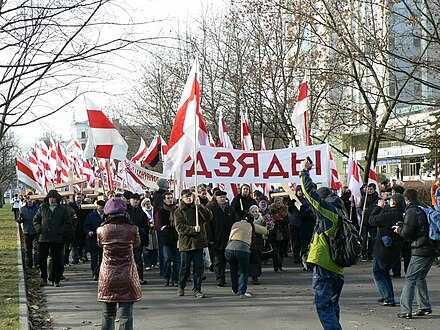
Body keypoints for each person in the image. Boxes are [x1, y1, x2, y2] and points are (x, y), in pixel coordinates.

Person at [300, 159, 345, 330]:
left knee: (324, 306)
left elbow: (310, 194)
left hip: (324, 265)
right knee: (332, 305)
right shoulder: (342, 212)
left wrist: (305, 172)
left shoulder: (329, 212)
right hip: (338, 267)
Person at [393, 189, 438, 319]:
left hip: (420, 250)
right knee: (420, 277)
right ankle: (424, 306)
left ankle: (405, 310)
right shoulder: (424, 207)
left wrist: (399, 229)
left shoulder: (411, 211)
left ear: (406, 199)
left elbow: (407, 233)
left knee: (410, 279)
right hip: (432, 248)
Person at [97, 197, 141, 330]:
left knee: (107, 314)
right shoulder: (132, 229)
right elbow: (137, 244)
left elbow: (99, 245)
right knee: (126, 316)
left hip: (107, 276)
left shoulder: (101, 230)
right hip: (127, 275)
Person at [175, 189, 213, 298]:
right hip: (186, 243)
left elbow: (209, 217)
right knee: (185, 267)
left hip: (198, 243)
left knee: (198, 268)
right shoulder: (179, 211)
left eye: (190, 196)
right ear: (182, 198)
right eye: (187, 197)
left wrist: (200, 206)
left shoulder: (197, 208)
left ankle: (197, 289)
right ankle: (181, 286)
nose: (189, 198)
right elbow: (179, 227)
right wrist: (192, 229)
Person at [369, 193, 405, 306]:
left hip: (383, 248)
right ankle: (387, 294)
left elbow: (372, 220)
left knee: (378, 272)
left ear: (393, 203)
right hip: (396, 249)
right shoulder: (403, 214)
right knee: (385, 273)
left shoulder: (387, 215)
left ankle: (388, 298)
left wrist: (379, 207)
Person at [33, 190, 74, 286]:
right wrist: (39, 229)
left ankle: (56, 279)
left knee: (57, 260)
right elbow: (36, 220)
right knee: (42, 259)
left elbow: (67, 223)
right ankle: (43, 278)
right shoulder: (42, 208)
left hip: (57, 238)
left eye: (53, 197)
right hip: (43, 237)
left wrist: (61, 230)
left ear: (57, 199)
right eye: (50, 198)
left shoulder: (62, 210)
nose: (52, 200)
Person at [225, 211, 267, 298]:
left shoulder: (235, 224)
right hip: (243, 249)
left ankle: (235, 289)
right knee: (244, 271)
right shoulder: (251, 225)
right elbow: (264, 231)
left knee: (233, 269)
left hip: (229, 249)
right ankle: (242, 292)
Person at [206, 190, 235, 287]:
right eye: (220, 197)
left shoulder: (230, 209)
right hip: (216, 238)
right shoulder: (211, 208)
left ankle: (233, 278)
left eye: (224, 197)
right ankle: (220, 278)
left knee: (229, 259)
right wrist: (210, 238)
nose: (223, 199)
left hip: (228, 238)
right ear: (216, 198)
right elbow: (208, 225)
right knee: (218, 260)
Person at [126, 193, 149, 285]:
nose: (135, 201)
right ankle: (128, 278)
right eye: (133, 199)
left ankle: (139, 277)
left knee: (138, 258)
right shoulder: (126, 212)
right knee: (128, 259)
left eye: (137, 200)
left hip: (138, 239)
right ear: (130, 200)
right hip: (127, 238)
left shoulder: (142, 213)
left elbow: (145, 226)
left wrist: (143, 233)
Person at [158, 192, 180, 286]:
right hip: (166, 239)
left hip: (177, 239)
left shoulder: (177, 210)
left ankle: (175, 279)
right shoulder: (162, 211)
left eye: (171, 197)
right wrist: (171, 232)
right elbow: (164, 226)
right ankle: (166, 276)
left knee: (177, 260)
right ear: (164, 200)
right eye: (168, 198)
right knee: (167, 258)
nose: (170, 199)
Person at [84, 200, 106, 280]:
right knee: (94, 258)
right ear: (97, 206)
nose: (102, 208)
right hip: (93, 240)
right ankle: (94, 272)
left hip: (104, 240)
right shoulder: (91, 216)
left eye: (103, 207)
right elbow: (86, 226)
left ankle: (100, 272)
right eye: (101, 207)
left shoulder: (107, 216)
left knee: (102, 258)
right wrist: (89, 231)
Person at [358, 183, 380, 261]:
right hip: (364, 221)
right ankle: (364, 254)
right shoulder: (364, 198)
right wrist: (361, 212)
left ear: (374, 190)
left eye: (371, 189)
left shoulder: (377, 199)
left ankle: (370, 254)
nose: (369, 191)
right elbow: (359, 208)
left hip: (373, 221)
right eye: (368, 189)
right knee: (364, 238)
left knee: (372, 239)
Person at [18, 192, 40, 268]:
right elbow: (19, 220)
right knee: (28, 249)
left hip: (36, 231)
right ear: (26, 200)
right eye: (28, 199)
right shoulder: (23, 209)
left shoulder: (38, 208)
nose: (30, 200)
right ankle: (29, 263)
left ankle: (37, 263)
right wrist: (19, 219)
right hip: (27, 231)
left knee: (36, 248)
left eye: (31, 199)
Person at [246, 204, 266, 285]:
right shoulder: (247, 220)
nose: (255, 213)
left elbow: (265, 230)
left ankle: (256, 276)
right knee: (251, 258)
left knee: (258, 258)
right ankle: (252, 275)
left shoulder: (263, 219)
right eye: (253, 212)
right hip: (250, 240)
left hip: (259, 240)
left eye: (256, 211)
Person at [268, 196, 289, 272]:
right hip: (273, 233)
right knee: (275, 251)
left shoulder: (285, 211)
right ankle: (276, 266)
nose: (278, 204)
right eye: (276, 203)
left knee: (281, 251)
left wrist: (281, 220)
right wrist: (275, 220)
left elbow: (287, 221)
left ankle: (280, 265)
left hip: (283, 233)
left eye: (279, 203)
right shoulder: (271, 211)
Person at [70, 193, 91, 264]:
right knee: (74, 243)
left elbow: (89, 214)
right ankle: (75, 257)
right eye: (77, 197)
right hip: (74, 227)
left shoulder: (86, 205)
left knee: (83, 242)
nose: (78, 199)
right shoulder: (71, 205)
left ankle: (83, 256)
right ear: (74, 198)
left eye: (80, 197)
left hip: (83, 225)